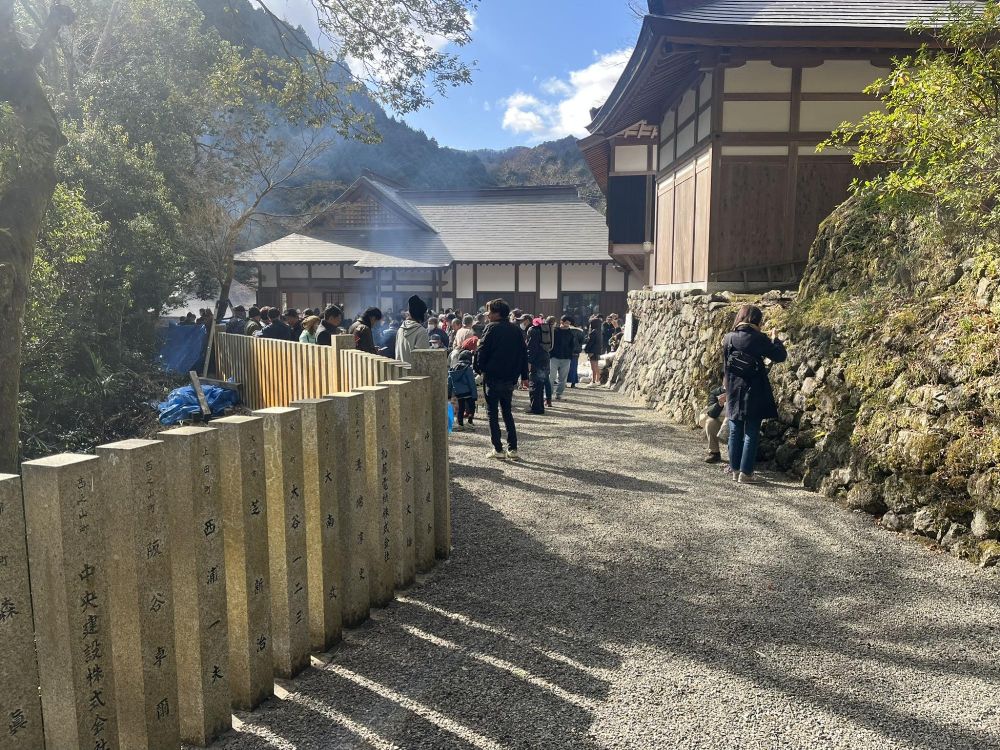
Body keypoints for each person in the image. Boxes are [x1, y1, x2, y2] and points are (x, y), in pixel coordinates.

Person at [723, 304, 788, 484]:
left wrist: (727, 390)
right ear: (757, 320)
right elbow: (780, 356)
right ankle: (746, 473)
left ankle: (735, 470)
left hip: (734, 389)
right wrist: (776, 339)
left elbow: (726, 368)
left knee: (735, 430)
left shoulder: (728, 338)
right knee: (751, 431)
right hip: (755, 389)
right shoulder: (759, 338)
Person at [475, 298, 528, 460]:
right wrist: (524, 376)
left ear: (497, 313)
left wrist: (480, 369)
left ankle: (498, 448)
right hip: (510, 377)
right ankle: (513, 448)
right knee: (507, 412)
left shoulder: (491, 328)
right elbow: (523, 354)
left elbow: (482, 351)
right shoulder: (516, 330)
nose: (487, 315)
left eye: (489, 312)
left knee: (492, 413)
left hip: (493, 376)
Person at [525, 317, 550, 414]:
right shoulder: (546, 330)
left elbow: (531, 348)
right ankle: (540, 407)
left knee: (534, 385)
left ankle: (535, 408)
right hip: (545, 359)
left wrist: (529, 362)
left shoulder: (533, 331)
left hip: (536, 361)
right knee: (541, 385)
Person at [448, 350, 478, 430]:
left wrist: (449, 394)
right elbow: (472, 383)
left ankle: (460, 424)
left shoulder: (453, 368)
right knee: (472, 407)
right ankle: (470, 422)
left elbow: (449, 381)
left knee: (461, 408)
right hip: (468, 392)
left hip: (458, 393)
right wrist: (474, 395)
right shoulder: (468, 369)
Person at [397, 295, 431, 365]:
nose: (426, 316)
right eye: (425, 313)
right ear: (420, 314)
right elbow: (423, 358)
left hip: (401, 369)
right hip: (415, 371)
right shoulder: (421, 331)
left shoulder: (400, 329)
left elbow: (397, 354)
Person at [549, 315, 575, 400]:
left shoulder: (571, 333)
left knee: (563, 379)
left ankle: (559, 394)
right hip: (554, 357)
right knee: (551, 377)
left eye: (569, 323)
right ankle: (548, 394)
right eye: (566, 322)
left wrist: (570, 356)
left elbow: (572, 345)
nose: (567, 324)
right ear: (561, 322)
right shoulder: (554, 331)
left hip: (566, 358)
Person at [700, 385, 727, 464]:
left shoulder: (740, 390)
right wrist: (720, 403)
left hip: (736, 421)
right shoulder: (715, 393)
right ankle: (714, 452)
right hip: (720, 421)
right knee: (710, 422)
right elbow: (711, 414)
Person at [584, 317, 604, 386]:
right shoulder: (600, 332)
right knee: (596, 366)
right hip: (597, 351)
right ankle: (598, 380)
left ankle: (593, 381)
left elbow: (590, 342)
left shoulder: (593, 332)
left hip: (592, 351)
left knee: (593, 367)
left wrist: (586, 350)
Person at [567, 316, 584, 388]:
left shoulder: (566, 330)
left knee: (564, 367)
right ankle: (573, 383)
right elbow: (582, 341)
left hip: (566, 352)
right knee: (574, 367)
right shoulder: (579, 331)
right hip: (576, 352)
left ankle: (564, 381)